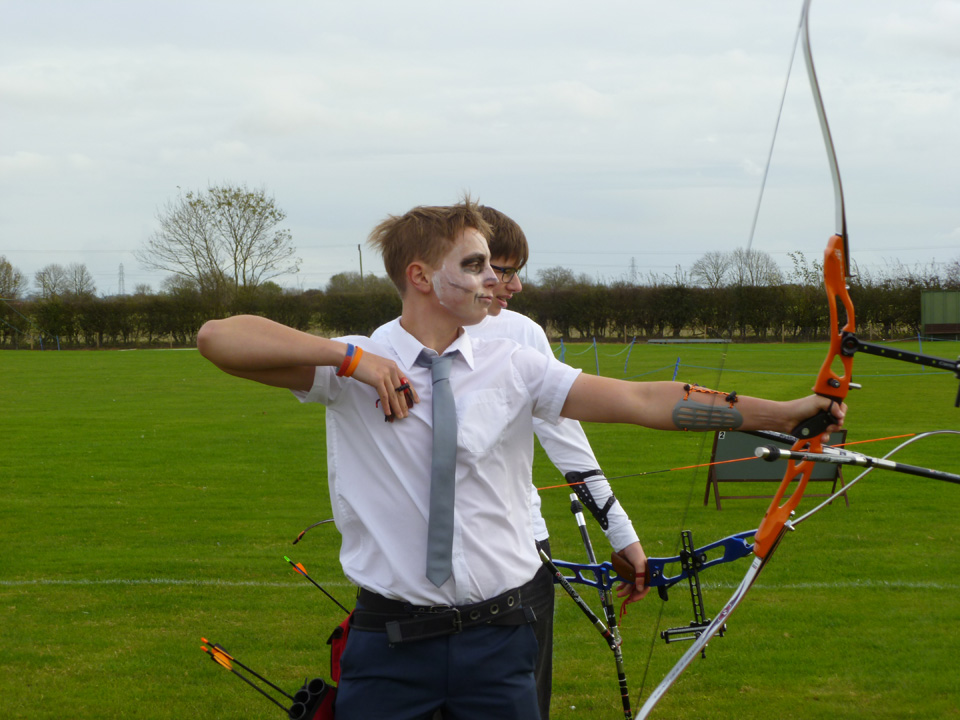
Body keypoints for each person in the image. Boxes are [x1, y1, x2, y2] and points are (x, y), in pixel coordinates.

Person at [196, 197, 844, 720]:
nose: (494, 280)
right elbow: (218, 338)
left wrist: (781, 414)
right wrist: (350, 359)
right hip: (390, 645)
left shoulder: (514, 363)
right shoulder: (351, 367)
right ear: (421, 277)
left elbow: (642, 399)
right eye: (475, 265)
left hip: (499, 639)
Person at [371, 205, 644, 720]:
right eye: (499, 268)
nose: (511, 285)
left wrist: (621, 533)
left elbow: (569, 442)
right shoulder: (382, 346)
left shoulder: (521, 335)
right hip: (409, 581)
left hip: (518, 564)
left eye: (513, 271)